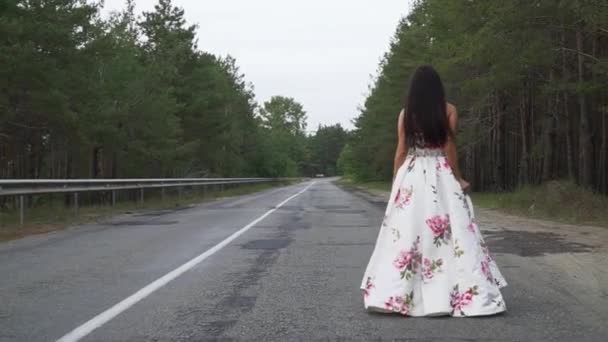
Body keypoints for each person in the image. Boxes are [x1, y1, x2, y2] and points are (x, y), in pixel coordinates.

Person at [360, 65, 507, 317]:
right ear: (438, 87)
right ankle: (452, 291)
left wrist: (397, 180)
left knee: (407, 229)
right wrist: (458, 177)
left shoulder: (406, 114)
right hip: (440, 172)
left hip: (413, 171)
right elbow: (449, 147)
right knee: (452, 230)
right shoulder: (449, 110)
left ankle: (397, 293)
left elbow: (401, 150)